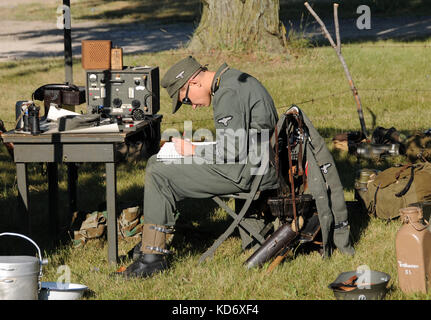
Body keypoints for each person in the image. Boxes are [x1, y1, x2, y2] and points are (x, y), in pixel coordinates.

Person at [117, 56, 280, 279]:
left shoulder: (227, 93)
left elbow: (230, 152)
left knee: (158, 171)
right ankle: (152, 241)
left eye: (185, 100)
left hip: (246, 172)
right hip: (256, 164)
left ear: (193, 82)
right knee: (158, 162)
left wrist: (193, 150)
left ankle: (152, 258)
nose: (192, 106)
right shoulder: (233, 80)